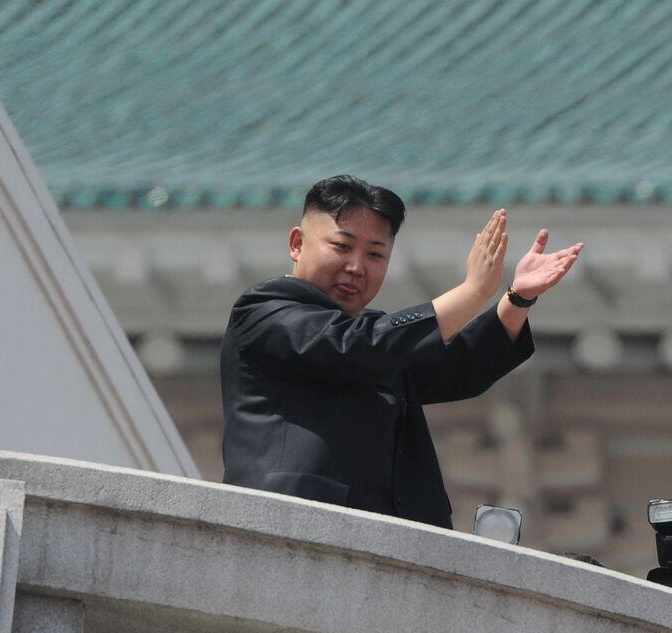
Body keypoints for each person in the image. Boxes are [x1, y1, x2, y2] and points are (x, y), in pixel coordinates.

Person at [220, 175, 582, 528]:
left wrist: (517, 298)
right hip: (294, 528)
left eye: (375, 254)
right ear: (297, 243)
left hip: (387, 539)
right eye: (342, 246)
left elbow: (457, 365)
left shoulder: (375, 344)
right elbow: (361, 346)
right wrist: (472, 291)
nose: (356, 267)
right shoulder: (264, 311)